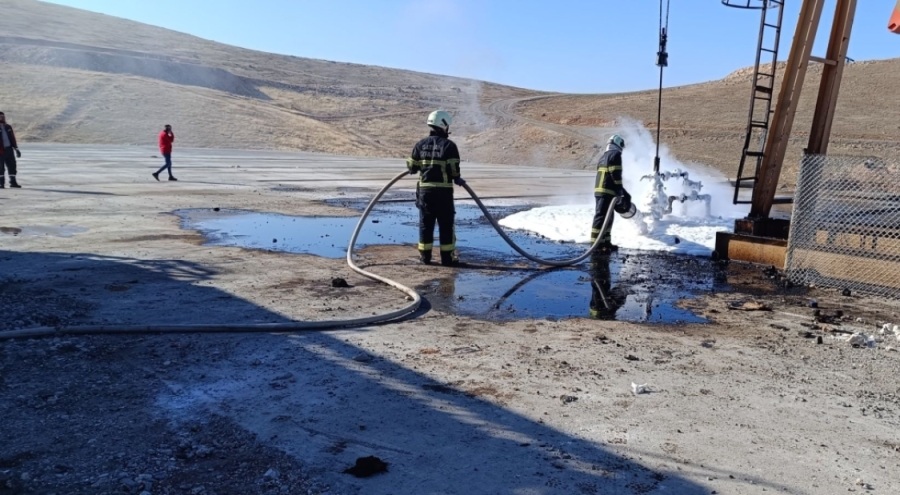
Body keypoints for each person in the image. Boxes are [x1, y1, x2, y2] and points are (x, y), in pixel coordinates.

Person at [407, 110, 464, 266]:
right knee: (446, 225)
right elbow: (453, 169)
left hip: (425, 193)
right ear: (443, 125)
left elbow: (411, 166)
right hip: (443, 193)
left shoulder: (420, 144)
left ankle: (425, 257)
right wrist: (457, 177)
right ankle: (447, 258)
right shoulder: (449, 146)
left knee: (426, 224)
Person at [591, 134, 631, 254]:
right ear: (618, 144)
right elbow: (615, 174)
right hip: (606, 190)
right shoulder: (615, 154)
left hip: (603, 191)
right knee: (601, 216)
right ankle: (595, 244)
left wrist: (622, 192)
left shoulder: (604, 155)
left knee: (608, 217)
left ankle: (605, 242)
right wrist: (620, 191)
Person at [588, 255, 627, 320]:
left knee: (600, 283)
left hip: (598, 308)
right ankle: (601, 311)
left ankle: (599, 311)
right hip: (602, 309)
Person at [0, 111, 22, 188]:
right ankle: (1, 183)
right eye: (0, 116)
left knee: (12, 166)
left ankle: (13, 182)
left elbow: (12, 138)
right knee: (0, 167)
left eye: (3, 116)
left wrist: (16, 149)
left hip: (9, 150)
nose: (2, 117)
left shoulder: (8, 127)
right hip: (1, 151)